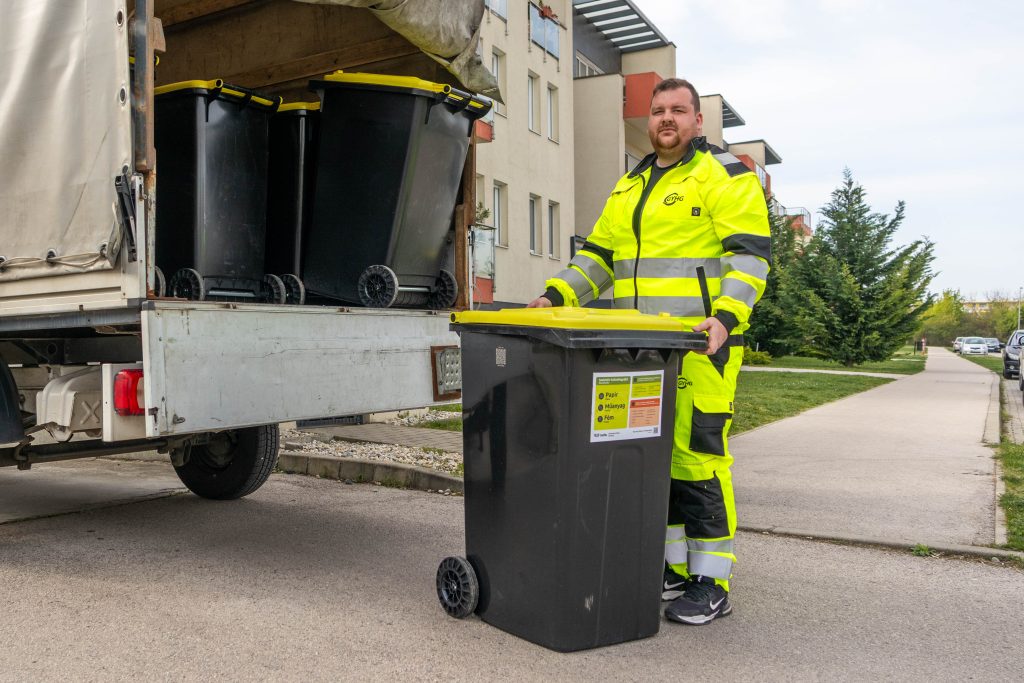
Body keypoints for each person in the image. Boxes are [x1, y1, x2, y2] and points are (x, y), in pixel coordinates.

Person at [527, 78, 770, 625]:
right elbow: (598, 258)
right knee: (653, 460)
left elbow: (749, 257)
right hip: (640, 351)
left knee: (697, 460)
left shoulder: (724, 174)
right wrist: (555, 296)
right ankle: (675, 569)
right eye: (658, 110)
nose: (666, 118)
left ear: (698, 120)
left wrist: (726, 317)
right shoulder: (629, 186)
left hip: (700, 345)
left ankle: (712, 582)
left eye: (678, 110)